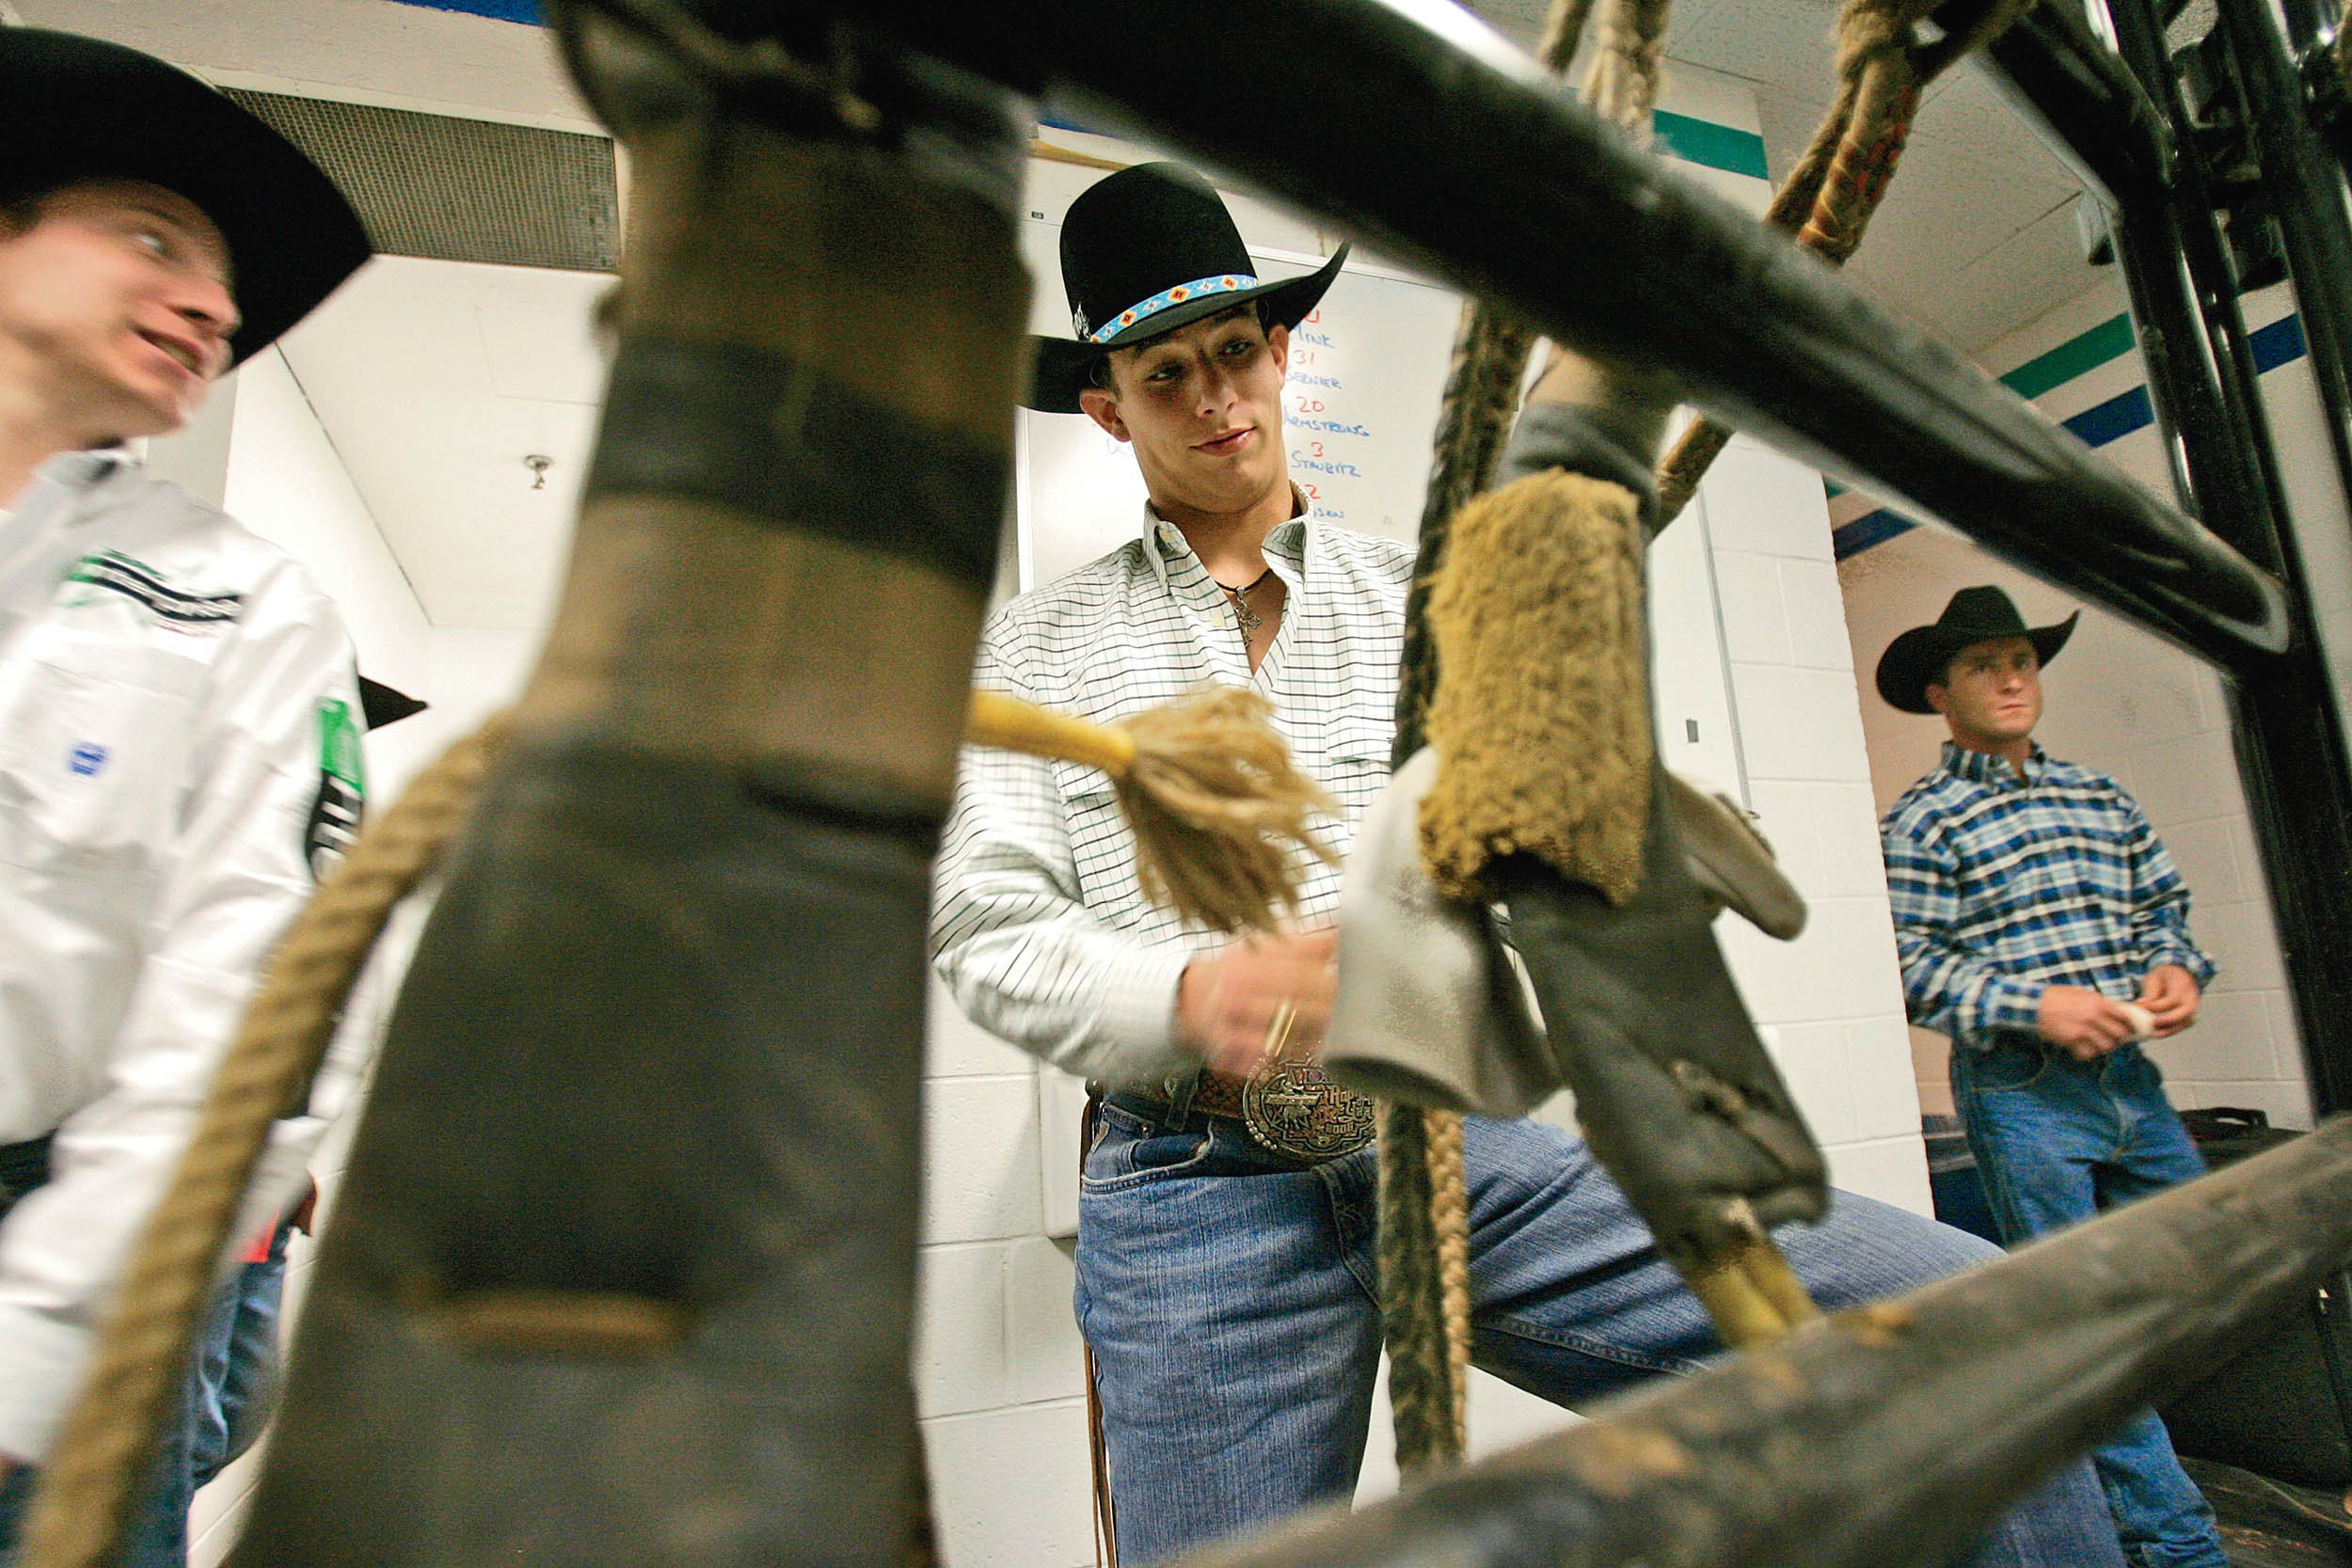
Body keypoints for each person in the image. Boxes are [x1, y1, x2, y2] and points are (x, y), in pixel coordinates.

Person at [933, 161, 2123, 1568]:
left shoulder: (1429, 600)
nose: (1215, 398)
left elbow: (1528, 841)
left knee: (1967, 1327)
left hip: (1451, 1138)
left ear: (1281, 348)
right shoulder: (1036, 644)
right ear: (1106, 405)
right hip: (1196, 1180)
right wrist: (1200, 989)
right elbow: (985, 923)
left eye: (1238, 350)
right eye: (1165, 371)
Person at [0, 26, 373, 1564]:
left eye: (224, 277)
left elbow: (251, 1017)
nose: (214, 304)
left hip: (58, 1265)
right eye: (154, 238)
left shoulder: (237, 604)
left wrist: (35, 1363)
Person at [1877, 585, 2228, 1568]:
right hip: (2021, 1091)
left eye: (2022, 659)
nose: (2010, 678)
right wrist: (2035, 1004)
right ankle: (2176, 1543)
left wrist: (2175, 970)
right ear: (1939, 692)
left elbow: (2164, 908)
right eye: (1983, 664)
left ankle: (2103, 1470)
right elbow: (1909, 962)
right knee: (2078, 1324)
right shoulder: (1922, 820)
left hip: (2133, 1083)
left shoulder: (2099, 795)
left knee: (2218, 1271)